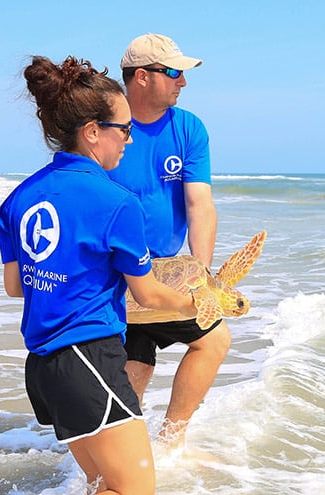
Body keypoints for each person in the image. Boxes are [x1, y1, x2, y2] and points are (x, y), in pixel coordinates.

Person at [0, 55, 196, 495]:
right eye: (123, 130)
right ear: (91, 132)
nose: (129, 140)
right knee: (135, 492)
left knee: (103, 482)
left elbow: (16, 287)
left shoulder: (18, 200)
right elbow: (148, 294)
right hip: (91, 359)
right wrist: (195, 302)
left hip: (44, 365)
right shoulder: (116, 202)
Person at [109, 33, 230, 449]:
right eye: (174, 72)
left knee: (212, 338)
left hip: (163, 270)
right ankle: (116, 461)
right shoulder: (105, 127)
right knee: (135, 365)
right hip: (108, 272)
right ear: (142, 76)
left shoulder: (189, 128)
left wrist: (202, 275)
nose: (183, 82)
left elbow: (199, 205)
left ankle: (171, 441)